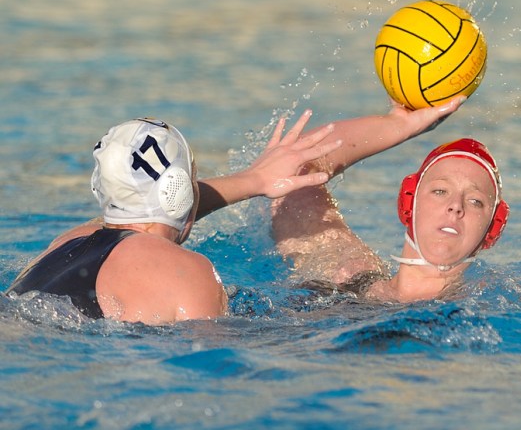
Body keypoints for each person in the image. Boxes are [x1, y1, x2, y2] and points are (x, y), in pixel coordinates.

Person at [5, 111, 341, 325]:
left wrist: (256, 180)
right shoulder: (187, 272)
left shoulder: (66, 243)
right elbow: (219, 372)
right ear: (179, 190)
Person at [271, 96, 509, 302]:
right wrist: (395, 127)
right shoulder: (350, 273)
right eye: (440, 191)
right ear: (408, 203)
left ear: (493, 228)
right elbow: (293, 171)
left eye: (475, 201)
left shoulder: (489, 309)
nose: (456, 206)